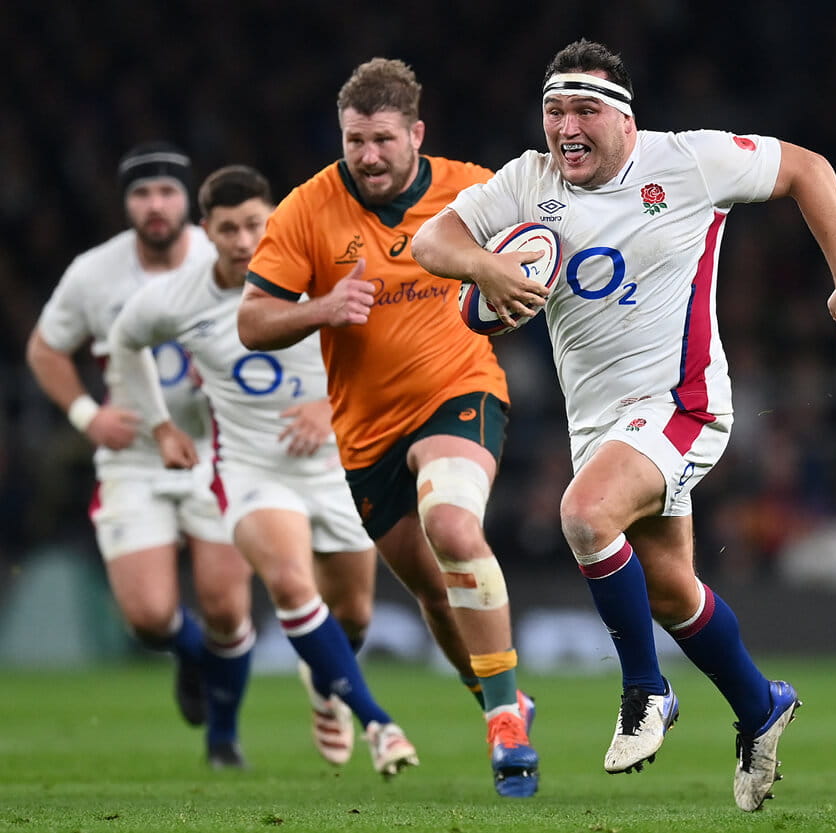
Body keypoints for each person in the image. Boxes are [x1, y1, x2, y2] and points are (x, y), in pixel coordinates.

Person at [411, 39, 836, 812]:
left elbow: (809, 169)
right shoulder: (528, 180)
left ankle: (645, 689)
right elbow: (432, 241)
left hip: (683, 404)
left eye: (584, 110)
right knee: (668, 589)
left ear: (625, 119)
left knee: (583, 515)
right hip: (599, 425)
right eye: (554, 110)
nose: (566, 127)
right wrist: (487, 267)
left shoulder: (690, 162)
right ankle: (761, 704)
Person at [235, 58, 538, 798]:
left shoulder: (471, 190)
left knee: (453, 525)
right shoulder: (308, 209)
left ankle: (505, 723)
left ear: (416, 134)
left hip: (458, 390)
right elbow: (251, 321)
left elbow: (544, 244)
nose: (367, 156)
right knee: (434, 591)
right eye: (355, 140)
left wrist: (509, 281)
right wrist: (321, 308)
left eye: (382, 140)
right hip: (366, 432)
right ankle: (500, 699)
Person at [107, 164, 422, 778]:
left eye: (255, 224)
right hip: (252, 469)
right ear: (206, 230)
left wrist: (326, 407)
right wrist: (161, 425)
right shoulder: (178, 295)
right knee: (290, 585)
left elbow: (393, 351)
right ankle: (378, 722)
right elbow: (124, 341)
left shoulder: (319, 271)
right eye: (228, 229)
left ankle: (325, 685)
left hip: (337, 465)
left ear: (275, 220)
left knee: (353, 615)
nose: (243, 240)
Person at [25, 142, 255, 768]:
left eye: (167, 192)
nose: (155, 205)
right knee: (150, 618)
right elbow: (45, 348)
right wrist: (87, 415)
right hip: (134, 457)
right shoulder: (94, 273)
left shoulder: (229, 255)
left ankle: (223, 739)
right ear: (125, 203)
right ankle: (191, 657)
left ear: (190, 202)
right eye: (142, 193)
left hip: (220, 451)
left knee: (227, 608)